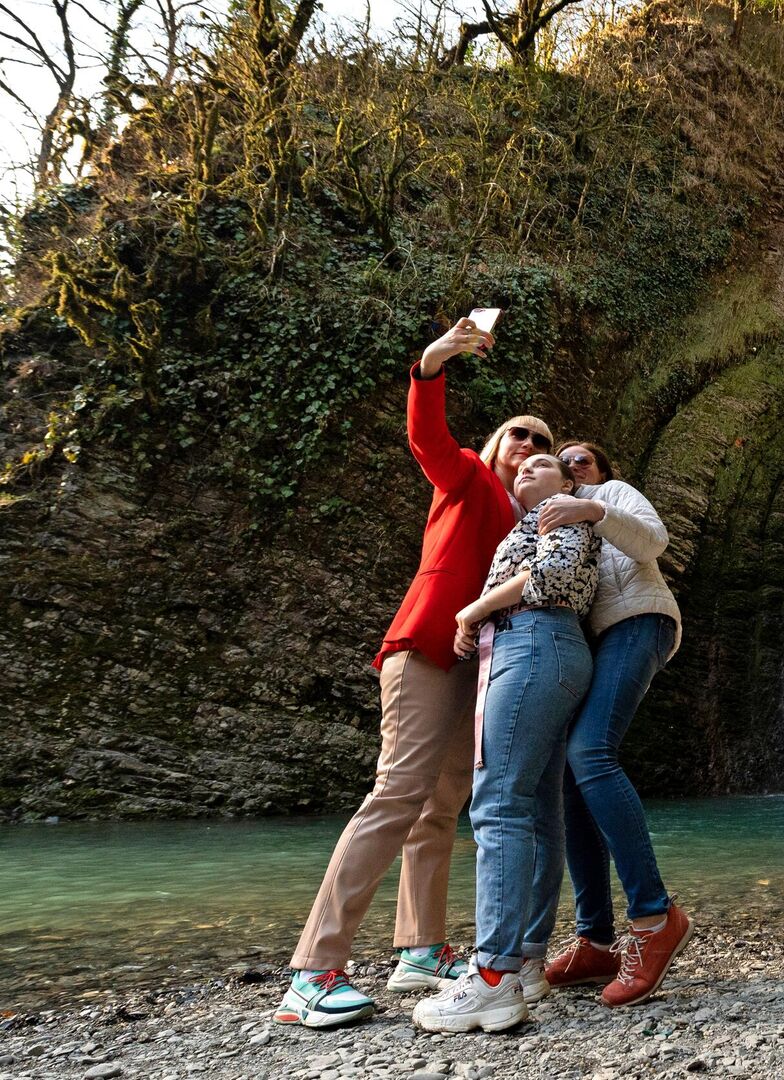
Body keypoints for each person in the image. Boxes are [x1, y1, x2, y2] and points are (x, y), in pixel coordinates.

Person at [278, 319, 553, 1029]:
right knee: (397, 793)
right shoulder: (465, 476)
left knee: (441, 807)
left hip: (478, 669)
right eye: (519, 433)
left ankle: (421, 950)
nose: (529, 446)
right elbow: (426, 437)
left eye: (543, 443)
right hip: (426, 648)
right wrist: (432, 363)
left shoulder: (530, 530)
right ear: (495, 447)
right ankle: (312, 972)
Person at [413, 453, 601, 1034]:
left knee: (497, 805)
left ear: (568, 483)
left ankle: (492, 977)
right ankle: (523, 962)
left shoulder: (559, 512)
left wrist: (473, 610)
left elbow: (550, 576)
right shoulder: (536, 517)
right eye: (521, 467)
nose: (528, 469)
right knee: (539, 811)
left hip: (533, 643)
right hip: (545, 647)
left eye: (544, 463)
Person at [535, 442, 690, 1007]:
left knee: (591, 753)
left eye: (584, 460)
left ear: (602, 473)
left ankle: (654, 917)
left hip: (637, 621)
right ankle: (595, 938)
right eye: (565, 459)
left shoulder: (611, 497)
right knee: (572, 778)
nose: (573, 465)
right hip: (589, 643)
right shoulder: (543, 520)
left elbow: (654, 542)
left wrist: (593, 509)